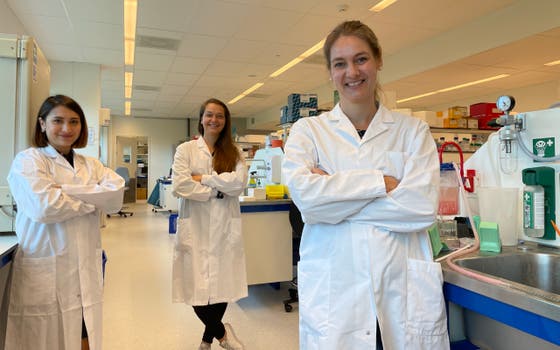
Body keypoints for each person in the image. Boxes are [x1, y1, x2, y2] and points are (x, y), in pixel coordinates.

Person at [282, 21, 450, 350]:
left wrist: (334, 197)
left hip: (399, 291)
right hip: (337, 296)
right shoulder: (308, 132)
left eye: (361, 59)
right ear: (330, 72)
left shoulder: (412, 132)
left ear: (378, 60)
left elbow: (420, 209)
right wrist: (380, 183)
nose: (352, 72)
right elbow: (308, 202)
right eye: (339, 63)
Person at [6, 94, 125, 350]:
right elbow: (45, 207)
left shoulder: (91, 164)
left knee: (85, 332)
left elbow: (115, 197)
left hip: (84, 267)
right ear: (42, 124)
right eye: (58, 120)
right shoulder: (28, 160)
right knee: (44, 339)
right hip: (45, 267)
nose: (66, 129)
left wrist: (65, 189)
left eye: (74, 122)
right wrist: (94, 196)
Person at [171, 98, 248, 350]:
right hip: (196, 227)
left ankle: (206, 341)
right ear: (201, 118)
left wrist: (203, 179)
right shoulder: (186, 150)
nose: (214, 120)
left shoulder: (233, 152)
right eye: (210, 115)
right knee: (195, 290)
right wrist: (216, 190)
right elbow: (181, 185)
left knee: (221, 286)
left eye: (220, 116)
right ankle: (222, 332)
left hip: (225, 227)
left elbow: (239, 184)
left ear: (226, 122)